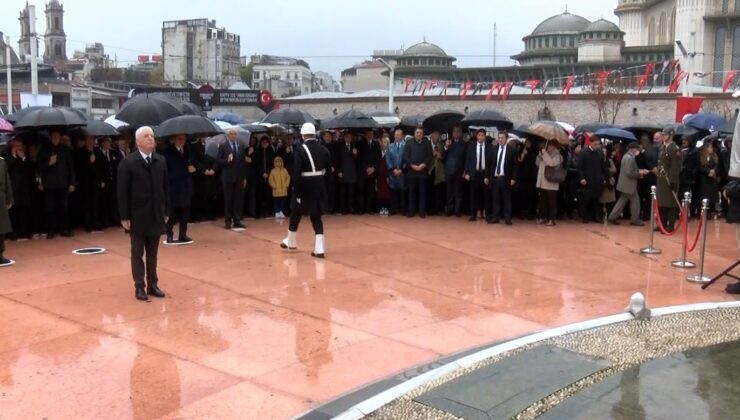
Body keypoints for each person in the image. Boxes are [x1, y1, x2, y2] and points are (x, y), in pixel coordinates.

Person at [117, 127, 169, 301]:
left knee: (153, 253)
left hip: (156, 214)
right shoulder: (129, 162)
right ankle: (139, 286)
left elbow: (166, 189)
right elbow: (122, 192)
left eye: (152, 136)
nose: (150, 139)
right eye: (146, 136)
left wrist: (166, 211)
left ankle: (153, 284)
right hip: (137, 215)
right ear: (138, 141)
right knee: (137, 253)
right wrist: (124, 216)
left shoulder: (160, 161)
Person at [280, 123, 331, 258]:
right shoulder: (324, 150)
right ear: (314, 134)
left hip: (304, 186)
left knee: (295, 213)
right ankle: (319, 248)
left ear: (303, 135)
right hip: (319, 186)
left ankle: (291, 241)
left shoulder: (299, 150)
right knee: (316, 218)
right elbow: (328, 172)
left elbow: (297, 173)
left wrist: (296, 191)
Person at [37, 130, 76, 238]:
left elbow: (71, 168)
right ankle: (51, 230)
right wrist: (49, 163)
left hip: (63, 183)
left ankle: (64, 229)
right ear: (50, 137)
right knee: (50, 208)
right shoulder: (44, 150)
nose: (55, 138)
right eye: (53, 136)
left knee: (64, 207)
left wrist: (72, 182)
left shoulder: (66, 150)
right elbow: (39, 167)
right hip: (49, 184)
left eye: (57, 136)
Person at [163, 134, 195, 244]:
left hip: (185, 185)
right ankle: (169, 235)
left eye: (184, 139)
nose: (182, 141)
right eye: (180, 139)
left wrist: (191, 168)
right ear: (175, 139)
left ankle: (183, 234)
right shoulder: (168, 151)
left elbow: (190, 162)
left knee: (185, 212)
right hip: (173, 185)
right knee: (171, 212)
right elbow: (166, 168)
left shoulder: (187, 149)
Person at [607, 142, 648, 226]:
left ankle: (612, 217)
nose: (638, 151)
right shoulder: (629, 158)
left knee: (622, 201)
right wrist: (639, 174)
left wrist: (639, 172)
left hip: (624, 184)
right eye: (637, 149)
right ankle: (635, 219)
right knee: (635, 201)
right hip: (629, 185)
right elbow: (629, 172)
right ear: (633, 149)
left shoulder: (626, 156)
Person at [217, 128, 247, 230]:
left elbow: (243, 162)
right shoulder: (223, 146)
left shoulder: (240, 146)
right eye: (232, 134)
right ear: (228, 135)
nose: (234, 136)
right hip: (228, 176)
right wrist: (227, 160)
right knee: (228, 199)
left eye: (235, 134)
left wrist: (244, 177)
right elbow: (218, 161)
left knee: (238, 199)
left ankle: (237, 220)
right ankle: (227, 221)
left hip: (238, 176)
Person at [486, 131, 518, 225]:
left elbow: (515, 166)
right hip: (495, 178)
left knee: (507, 199)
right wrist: (487, 176)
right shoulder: (493, 149)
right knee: (495, 199)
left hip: (506, 178)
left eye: (502, 138)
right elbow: (489, 164)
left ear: (506, 139)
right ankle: (495, 217)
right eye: (499, 138)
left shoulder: (512, 151)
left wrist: (513, 178)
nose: (500, 139)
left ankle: (507, 218)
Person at [654, 127, 682, 232]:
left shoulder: (675, 149)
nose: (663, 136)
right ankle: (662, 224)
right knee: (662, 204)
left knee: (670, 204)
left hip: (669, 180)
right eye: (662, 134)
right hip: (661, 180)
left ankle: (670, 225)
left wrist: (673, 181)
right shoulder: (662, 148)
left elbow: (675, 167)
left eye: (665, 135)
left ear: (671, 136)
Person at [403, 127, 433, 218]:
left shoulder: (427, 143)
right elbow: (405, 156)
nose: (419, 134)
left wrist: (423, 164)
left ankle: (422, 212)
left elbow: (430, 156)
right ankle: (411, 211)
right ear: (414, 133)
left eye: (420, 133)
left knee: (422, 193)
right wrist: (412, 165)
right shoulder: (409, 143)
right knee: (411, 193)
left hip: (422, 172)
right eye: (417, 132)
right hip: (411, 172)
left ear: (423, 134)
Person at [577, 138, 608, 223]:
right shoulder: (584, 152)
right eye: (595, 144)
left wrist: (607, 177)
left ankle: (596, 216)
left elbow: (603, 167)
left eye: (598, 144)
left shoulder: (600, 153)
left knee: (596, 199)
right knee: (586, 199)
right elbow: (579, 167)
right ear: (590, 143)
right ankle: (584, 216)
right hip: (587, 179)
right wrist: (582, 178)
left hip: (597, 179)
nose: (597, 146)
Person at [464, 129, 492, 221]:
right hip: (474, 173)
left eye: (482, 135)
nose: (480, 137)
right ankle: (473, 214)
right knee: (473, 195)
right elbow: (467, 160)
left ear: (485, 136)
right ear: (476, 136)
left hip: (485, 173)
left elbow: (491, 163)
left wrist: (488, 176)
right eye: (479, 135)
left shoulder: (489, 147)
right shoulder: (471, 146)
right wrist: (467, 173)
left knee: (486, 195)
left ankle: (487, 214)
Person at [536, 140, 564, 226]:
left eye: (549, 145)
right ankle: (542, 217)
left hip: (551, 181)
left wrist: (544, 154)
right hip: (542, 180)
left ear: (554, 146)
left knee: (551, 201)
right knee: (542, 200)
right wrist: (539, 156)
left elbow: (551, 163)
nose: (547, 147)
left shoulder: (558, 156)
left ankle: (552, 219)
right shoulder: (545, 154)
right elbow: (537, 164)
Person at [442, 126, 466, 217]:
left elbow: (465, 158)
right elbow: (443, 157)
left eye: (457, 131)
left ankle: (457, 210)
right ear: (452, 133)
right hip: (449, 170)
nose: (456, 133)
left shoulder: (464, 144)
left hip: (459, 170)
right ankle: (449, 209)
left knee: (458, 191)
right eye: (454, 132)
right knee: (449, 191)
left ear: (460, 133)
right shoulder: (448, 143)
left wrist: (465, 170)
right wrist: (446, 147)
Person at [386, 129, 406, 215]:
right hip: (392, 172)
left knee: (402, 191)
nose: (396, 136)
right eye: (395, 135)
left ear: (402, 136)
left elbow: (407, 159)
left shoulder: (406, 146)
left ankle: (403, 209)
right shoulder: (390, 146)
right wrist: (392, 169)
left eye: (398, 135)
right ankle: (393, 209)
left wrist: (402, 169)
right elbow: (388, 159)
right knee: (393, 191)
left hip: (402, 172)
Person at [337, 131, 357, 214]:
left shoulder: (354, 146)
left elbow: (358, 161)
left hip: (352, 173)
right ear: (344, 137)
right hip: (343, 172)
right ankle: (343, 209)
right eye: (347, 137)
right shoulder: (340, 146)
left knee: (351, 192)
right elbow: (337, 160)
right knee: (343, 192)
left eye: (350, 137)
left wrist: (355, 154)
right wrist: (339, 171)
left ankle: (350, 208)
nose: (348, 138)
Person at [0, 153, 13, 266]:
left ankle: (0, 254)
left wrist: (9, 198)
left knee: (1, 229)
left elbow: (6, 180)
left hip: (1, 198)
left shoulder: (2, 161)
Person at [376, 135, 392, 215]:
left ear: (388, 144)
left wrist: (389, 176)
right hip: (379, 176)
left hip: (386, 176)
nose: (383, 144)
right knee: (380, 192)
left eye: (385, 142)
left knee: (387, 192)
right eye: (382, 142)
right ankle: (381, 207)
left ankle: (386, 207)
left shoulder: (390, 153)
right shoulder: (378, 153)